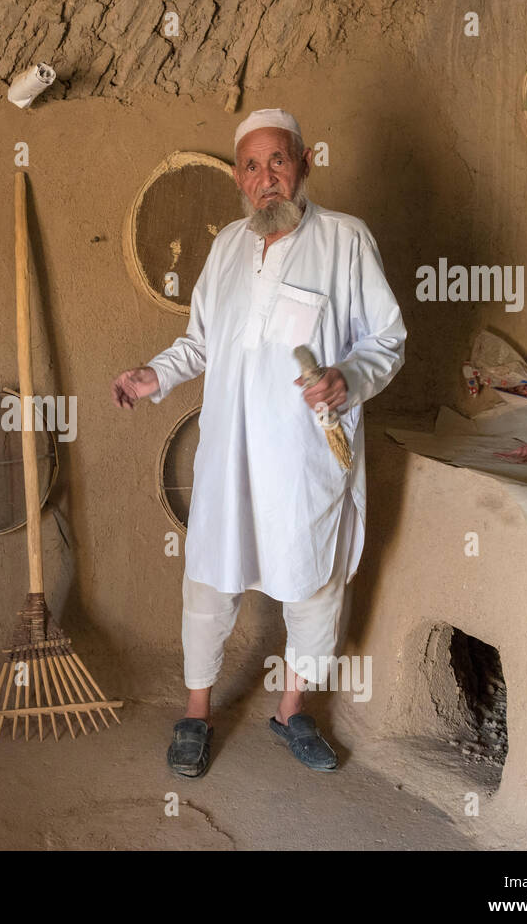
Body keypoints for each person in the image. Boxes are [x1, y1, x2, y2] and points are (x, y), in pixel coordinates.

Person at [111, 109, 407, 777]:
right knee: (211, 576)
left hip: (302, 457)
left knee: (311, 579)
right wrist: (152, 374)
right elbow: (201, 343)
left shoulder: (346, 241)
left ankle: (291, 708)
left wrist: (346, 377)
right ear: (240, 180)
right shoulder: (224, 250)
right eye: (251, 166)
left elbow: (386, 339)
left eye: (278, 161)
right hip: (229, 455)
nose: (265, 178)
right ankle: (196, 710)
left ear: (305, 163)